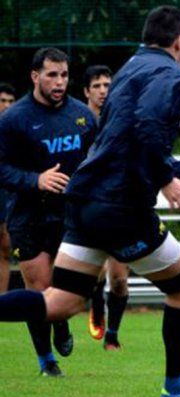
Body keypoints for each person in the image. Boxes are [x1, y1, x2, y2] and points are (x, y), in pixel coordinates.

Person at [0, 5, 180, 397]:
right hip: (121, 207)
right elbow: (148, 129)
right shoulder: (171, 73)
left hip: (82, 201)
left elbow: (125, 137)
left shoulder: (130, 67)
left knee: (59, 301)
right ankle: (176, 387)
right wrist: (166, 178)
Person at [0, 48, 94, 377]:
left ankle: (61, 322)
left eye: (64, 75)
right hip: (28, 215)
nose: (59, 82)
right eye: (52, 75)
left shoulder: (83, 116)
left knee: (65, 293)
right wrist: (35, 179)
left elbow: (98, 159)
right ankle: (46, 363)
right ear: (35, 76)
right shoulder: (13, 120)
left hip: (71, 215)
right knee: (38, 289)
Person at [81, 65, 132, 349]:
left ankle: (112, 336)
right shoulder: (79, 124)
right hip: (88, 208)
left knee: (121, 279)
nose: (103, 91)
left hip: (120, 205)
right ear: (86, 91)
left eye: (107, 85)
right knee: (95, 275)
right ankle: (96, 297)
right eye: (97, 86)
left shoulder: (122, 120)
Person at [0, 82, 15, 294]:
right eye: (2, 101)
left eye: (11, 101)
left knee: (4, 250)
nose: (6, 106)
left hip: (6, 196)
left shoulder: (16, 129)